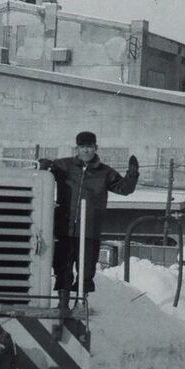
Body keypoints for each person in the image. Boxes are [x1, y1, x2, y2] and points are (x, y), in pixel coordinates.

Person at [40, 131, 139, 307]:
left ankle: (81, 300)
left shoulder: (105, 172)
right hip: (65, 226)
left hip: (90, 228)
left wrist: (132, 174)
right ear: (77, 148)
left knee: (86, 267)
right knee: (63, 264)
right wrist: (44, 165)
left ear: (95, 148)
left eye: (89, 147)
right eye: (82, 147)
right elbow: (45, 175)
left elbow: (124, 189)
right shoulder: (64, 166)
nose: (86, 151)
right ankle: (63, 300)